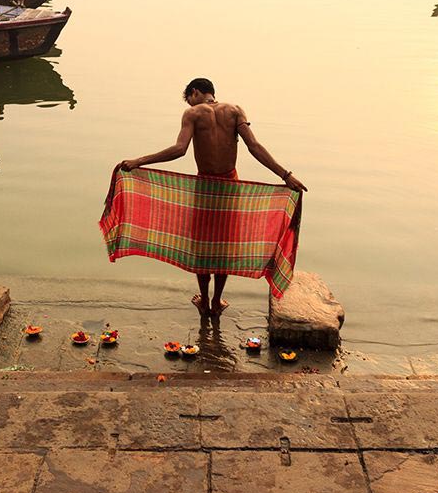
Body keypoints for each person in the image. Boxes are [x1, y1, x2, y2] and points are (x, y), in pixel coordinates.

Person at [116, 77, 308, 316]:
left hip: (205, 187)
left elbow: (179, 149)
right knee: (224, 244)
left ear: (195, 93)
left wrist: (139, 161)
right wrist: (285, 175)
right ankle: (217, 301)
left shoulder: (193, 114)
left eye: (189, 100)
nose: (190, 104)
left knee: (202, 244)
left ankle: (204, 301)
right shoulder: (235, 111)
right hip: (230, 187)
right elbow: (254, 147)